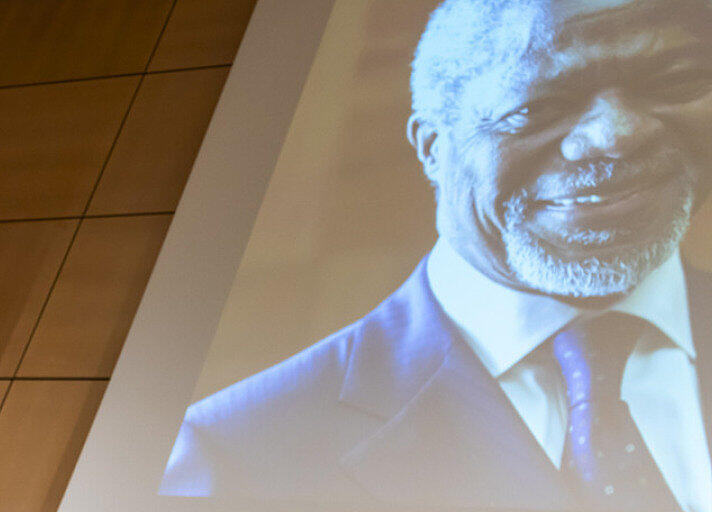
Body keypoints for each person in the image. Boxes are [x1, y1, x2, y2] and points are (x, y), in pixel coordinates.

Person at [160, 0, 712, 510]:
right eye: (538, 106)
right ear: (431, 147)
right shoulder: (236, 453)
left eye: (676, 81)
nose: (618, 134)